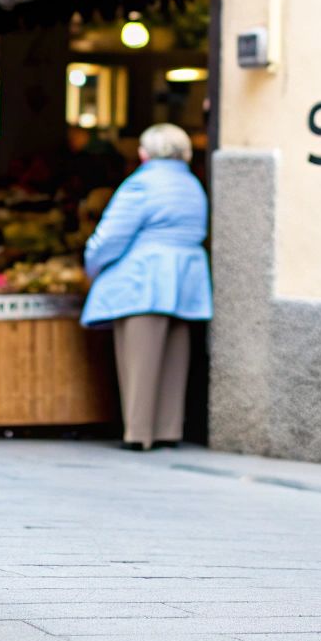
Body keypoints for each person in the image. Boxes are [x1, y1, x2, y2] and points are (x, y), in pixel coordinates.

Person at [79, 123, 213, 450]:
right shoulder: (193, 185)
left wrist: (91, 264)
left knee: (138, 359)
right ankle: (168, 429)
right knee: (174, 357)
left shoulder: (141, 185)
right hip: (185, 280)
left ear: (143, 153)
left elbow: (110, 236)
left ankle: (138, 432)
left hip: (142, 279)